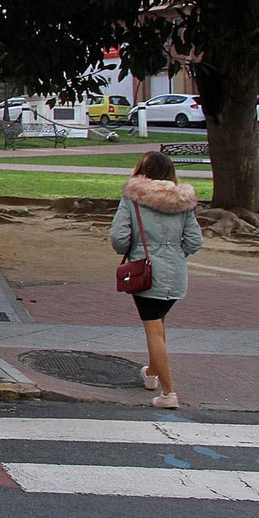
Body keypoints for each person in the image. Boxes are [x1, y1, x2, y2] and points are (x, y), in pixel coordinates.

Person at [110, 151, 203, 408]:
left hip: (146, 274)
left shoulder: (132, 199)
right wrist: (175, 254)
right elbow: (195, 240)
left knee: (153, 330)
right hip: (176, 274)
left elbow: (119, 238)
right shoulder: (183, 201)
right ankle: (151, 373)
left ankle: (168, 392)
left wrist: (134, 250)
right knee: (159, 325)